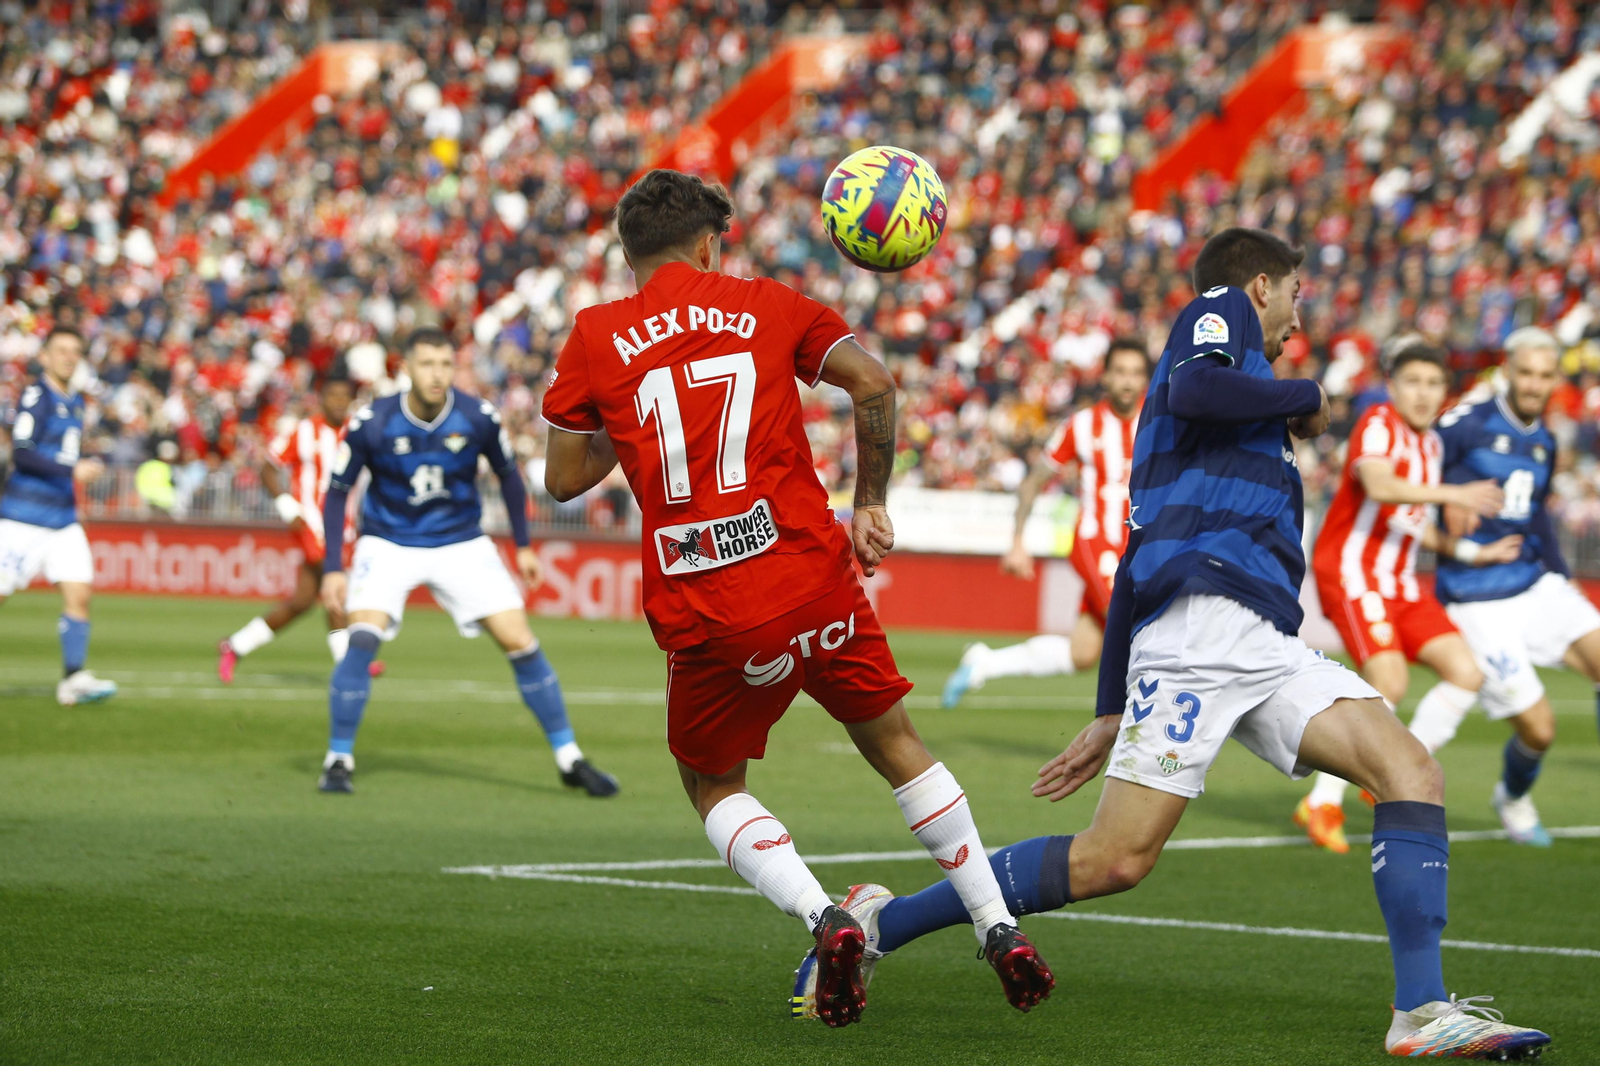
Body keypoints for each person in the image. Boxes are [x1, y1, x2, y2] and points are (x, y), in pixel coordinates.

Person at [794, 229, 1551, 1058]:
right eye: (1295, 294)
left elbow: (1130, 562)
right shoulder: (1217, 314)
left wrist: (1109, 706)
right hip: (1200, 635)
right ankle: (879, 924)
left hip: (1259, 640)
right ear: (1260, 286)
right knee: (1113, 861)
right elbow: (1194, 390)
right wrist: (1303, 393)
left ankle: (1421, 1013)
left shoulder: (1218, 422)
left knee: (1411, 770)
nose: (1298, 318)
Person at [541, 169, 1050, 1029]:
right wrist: (871, 503)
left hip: (709, 603)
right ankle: (996, 924)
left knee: (710, 782)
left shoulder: (596, 335)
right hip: (813, 577)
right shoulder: (768, 303)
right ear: (708, 243)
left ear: (628, 255)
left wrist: (636, 432)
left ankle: (827, 919)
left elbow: (562, 477)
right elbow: (876, 383)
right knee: (896, 744)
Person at [316, 328, 617, 798]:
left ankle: (569, 758)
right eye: (427, 364)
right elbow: (336, 494)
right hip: (388, 541)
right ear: (406, 370)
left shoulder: (478, 416)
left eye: (444, 364)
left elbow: (509, 480)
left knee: (521, 641)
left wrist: (522, 546)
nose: (437, 374)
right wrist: (334, 565)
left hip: (461, 542)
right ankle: (338, 759)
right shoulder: (373, 421)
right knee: (361, 640)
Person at [1295, 339, 1522, 852]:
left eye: (1433, 384)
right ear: (1393, 386)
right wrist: (1455, 495)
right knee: (1389, 678)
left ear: (1445, 392)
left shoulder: (1433, 445)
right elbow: (1379, 485)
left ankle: (1396, 769)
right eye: (1412, 382)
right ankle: (1321, 802)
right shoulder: (1378, 422)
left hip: (1399, 582)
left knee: (1467, 673)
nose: (1422, 393)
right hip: (1353, 574)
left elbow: (1411, 521)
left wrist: (1468, 551)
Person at [1429, 327, 1600, 846]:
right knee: (1540, 731)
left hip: (1534, 584)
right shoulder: (1464, 425)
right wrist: (1446, 496)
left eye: (1544, 375)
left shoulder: (1544, 439)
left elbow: (1540, 521)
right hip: (1478, 598)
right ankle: (1513, 797)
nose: (1533, 384)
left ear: (1554, 380)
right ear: (1506, 371)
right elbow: (1410, 472)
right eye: (1525, 372)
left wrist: (1561, 583)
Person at [941, 339, 1149, 708]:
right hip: (1095, 541)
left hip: (1138, 546)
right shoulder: (1082, 425)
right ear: (1105, 376)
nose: (1128, 382)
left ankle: (984, 663)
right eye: (1120, 372)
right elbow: (1035, 480)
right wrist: (1017, 540)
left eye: (1135, 373)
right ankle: (1142, 729)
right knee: (1138, 626)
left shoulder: (1157, 423)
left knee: (1083, 653)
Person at [218, 372, 385, 681]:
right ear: (321, 400)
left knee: (302, 602)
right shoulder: (304, 431)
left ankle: (234, 646)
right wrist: (286, 506)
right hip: (312, 523)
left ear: (350, 402)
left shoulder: (359, 433)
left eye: (342, 397)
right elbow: (268, 465)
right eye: (331, 395)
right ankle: (351, 664)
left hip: (346, 527)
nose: (337, 402)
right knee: (335, 586)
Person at [0, 326, 118, 706]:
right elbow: (22, 453)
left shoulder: (77, 402)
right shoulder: (38, 394)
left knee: (79, 593)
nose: (69, 356)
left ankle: (73, 679)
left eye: (75, 351)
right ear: (45, 356)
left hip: (62, 519)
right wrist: (72, 471)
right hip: (23, 518)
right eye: (61, 350)